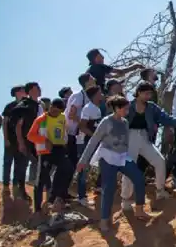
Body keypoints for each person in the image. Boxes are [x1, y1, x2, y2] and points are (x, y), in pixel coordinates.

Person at [77, 95, 150, 231]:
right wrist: (83, 160)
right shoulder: (106, 122)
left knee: (139, 178)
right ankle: (104, 220)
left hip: (122, 156)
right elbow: (93, 141)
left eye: (128, 109)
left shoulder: (125, 122)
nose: (127, 111)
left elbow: (126, 142)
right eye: (125, 109)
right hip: (108, 157)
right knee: (109, 188)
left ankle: (139, 209)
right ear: (116, 108)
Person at [120, 82, 176, 206]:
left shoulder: (152, 107)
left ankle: (160, 191)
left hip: (144, 137)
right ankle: (126, 199)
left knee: (159, 161)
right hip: (130, 138)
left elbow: (165, 117)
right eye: (146, 93)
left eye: (150, 94)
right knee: (129, 167)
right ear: (138, 92)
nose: (148, 96)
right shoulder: (128, 106)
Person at [26, 98, 70, 215]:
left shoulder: (62, 118)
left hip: (59, 148)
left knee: (67, 168)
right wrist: (44, 140)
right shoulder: (41, 119)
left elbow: (64, 131)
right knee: (41, 179)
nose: (55, 113)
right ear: (50, 107)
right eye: (53, 110)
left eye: (58, 111)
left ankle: (55, 196)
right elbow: (30, 135)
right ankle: (38, 209)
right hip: (45, 151)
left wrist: (64, 142)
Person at [65, 72, 98, 205]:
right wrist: (84, 123)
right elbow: (72, 114)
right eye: (92, 78)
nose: (94, 80)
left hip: (81, 134)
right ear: (86, 82)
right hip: (74, 135)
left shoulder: (88, 96)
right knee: (79, 165)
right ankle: (79, 196)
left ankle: (73, 194)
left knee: (78, 165)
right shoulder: (79, 96)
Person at [10, 83, 43, 200]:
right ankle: (21, 191)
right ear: (30, 91)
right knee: (22, 165)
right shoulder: (24, 105)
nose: (39, 90)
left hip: (37, 140)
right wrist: (20, 142)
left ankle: (36, 187)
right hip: (25, 139)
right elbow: (18, 126)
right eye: (36, 88)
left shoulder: (40, 105)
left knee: (39, 163)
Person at [1, 85, 28, 197]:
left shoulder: (27, 105)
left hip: (24, 140)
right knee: (8, 163)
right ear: (16, 93)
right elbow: (4, 123)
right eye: (22, 90)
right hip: (11, 139)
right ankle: (6, 185)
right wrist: (6, 138)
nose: (24, 92)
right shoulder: (10, 106)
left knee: (20, 164)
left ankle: (16, 185)